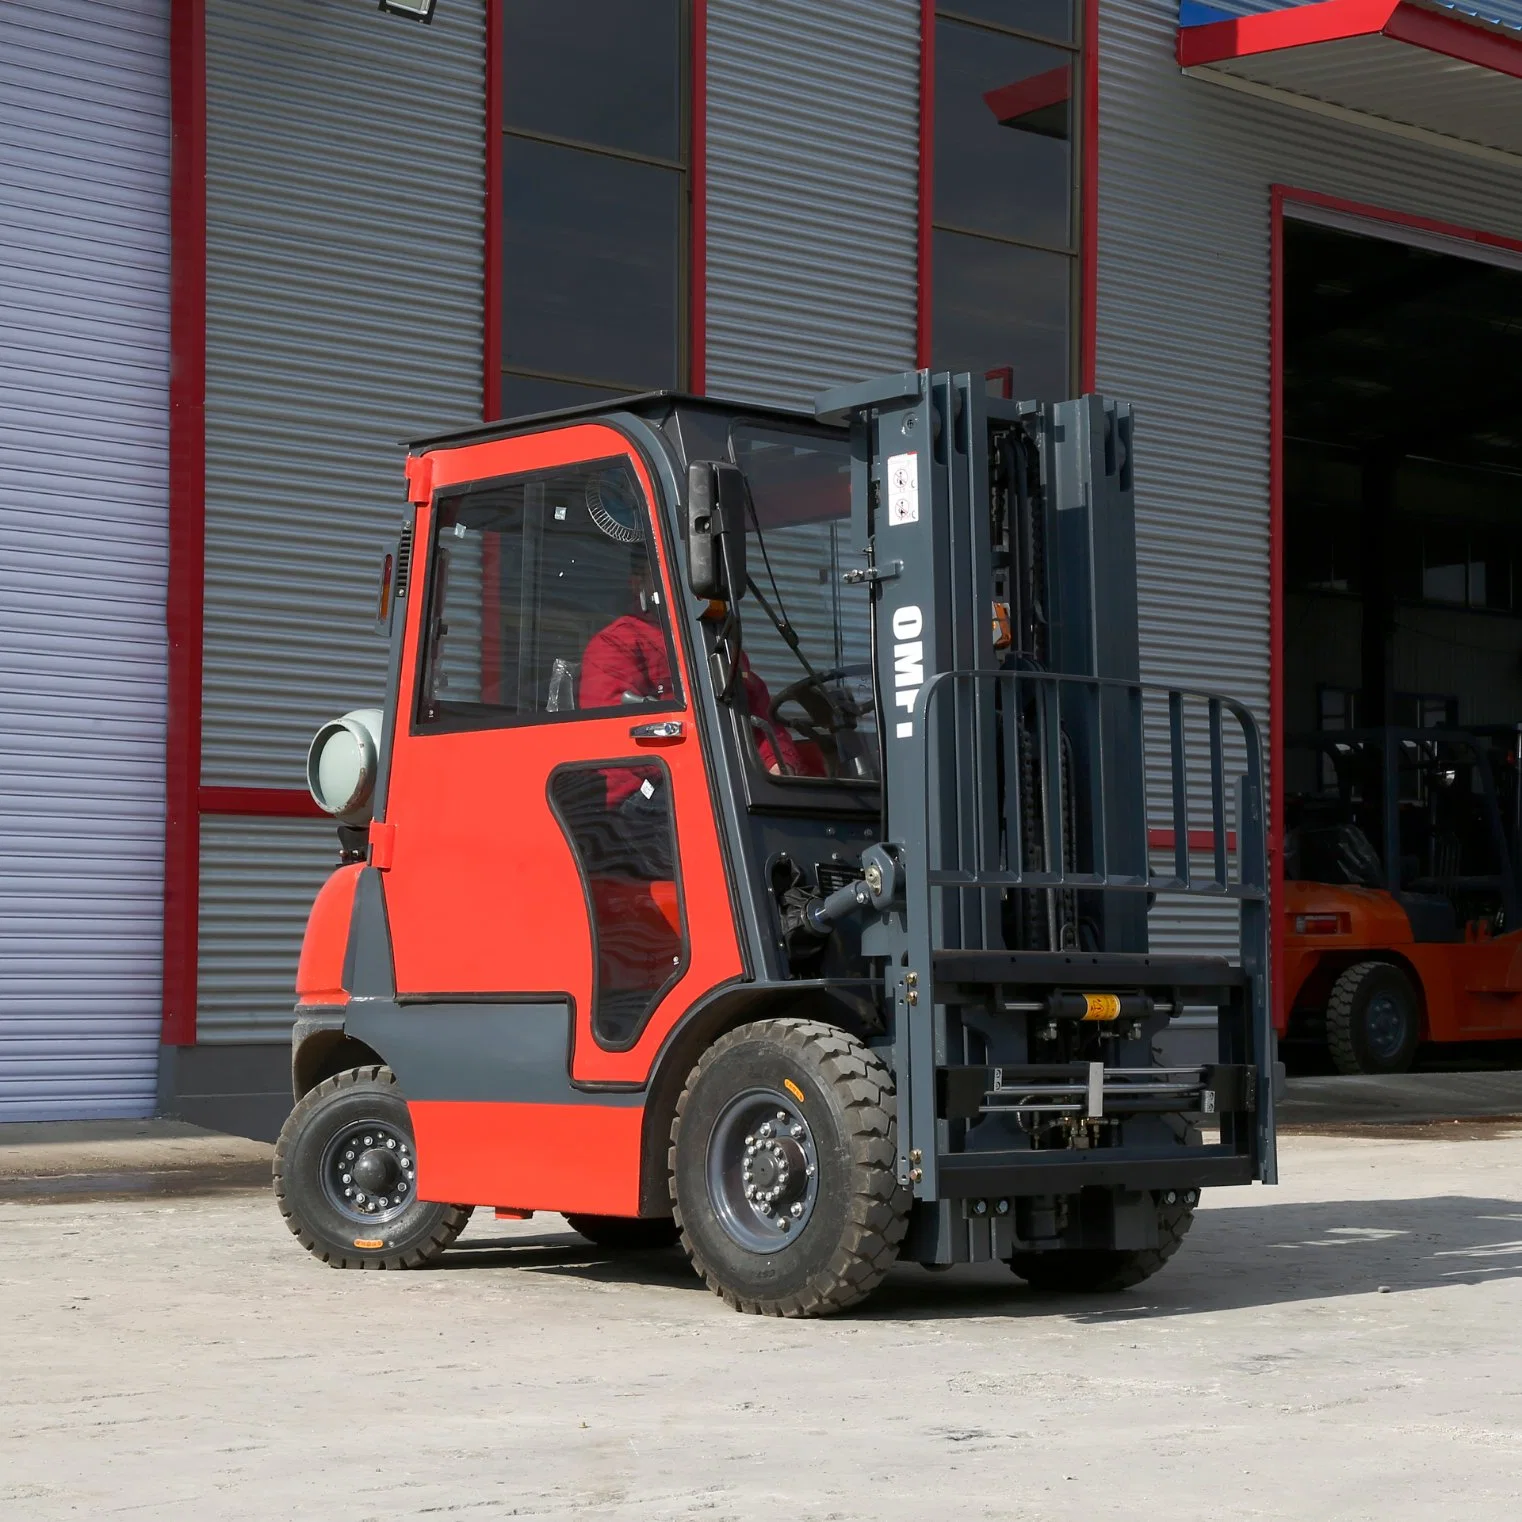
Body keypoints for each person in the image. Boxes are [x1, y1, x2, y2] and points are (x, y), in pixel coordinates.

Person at [579, 552, 805, 818]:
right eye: (664, 573)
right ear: (638, 584)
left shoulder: (720, 647)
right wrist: (707, 766)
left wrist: (779, 763)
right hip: (645, 796)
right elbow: (617, 735)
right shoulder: (617, 643)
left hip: (719, 782)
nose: (681, 583)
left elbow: (757, 717)